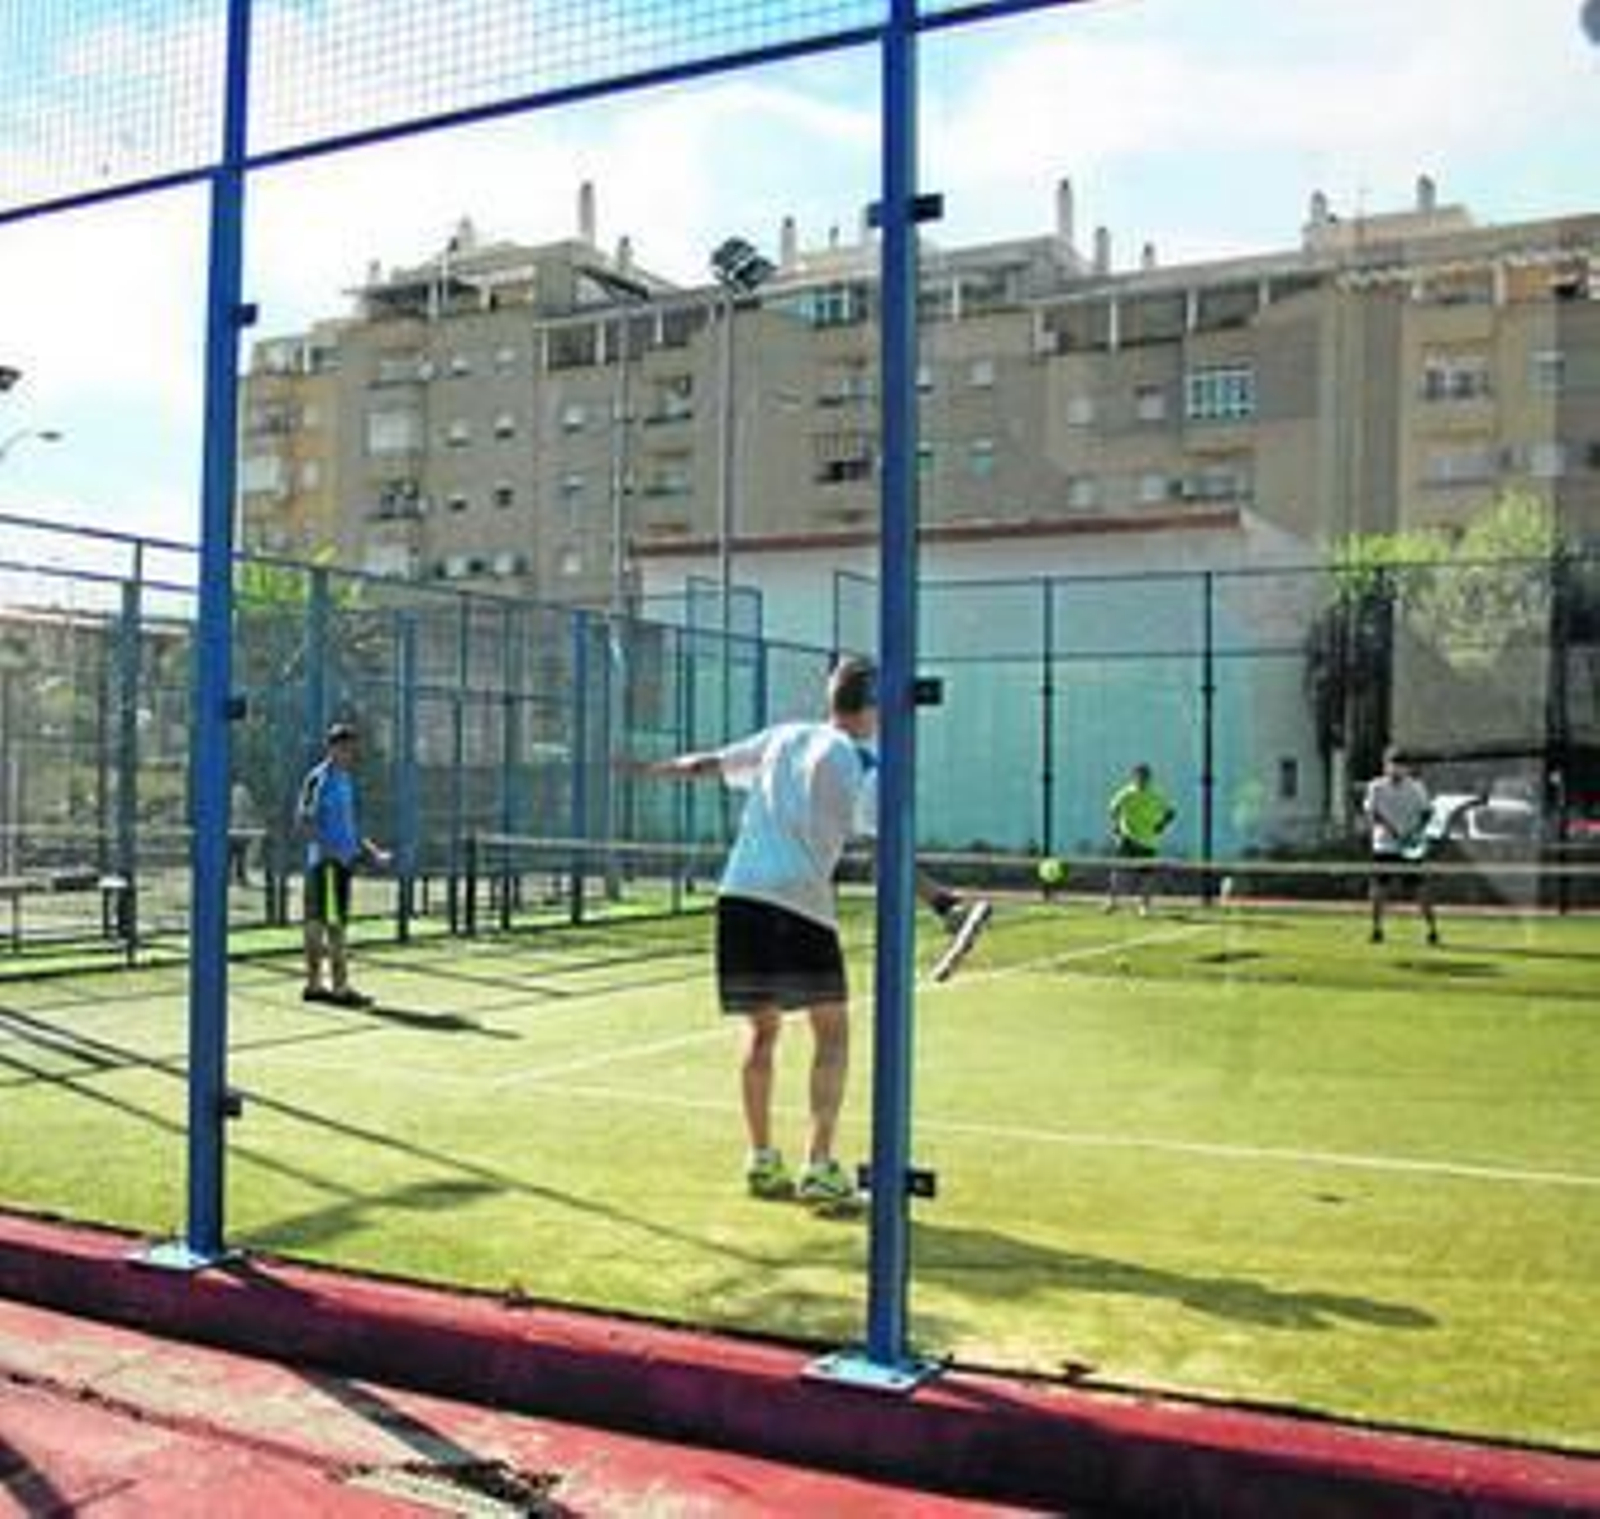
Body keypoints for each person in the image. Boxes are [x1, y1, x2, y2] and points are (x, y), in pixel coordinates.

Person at [639, 658, 989, 1208]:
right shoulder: (863, 763)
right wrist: (941, 902)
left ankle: (760, 1160)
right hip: (799, 902)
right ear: (872, 708)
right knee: (832, 1035)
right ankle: (819, 1166)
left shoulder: (785, 735)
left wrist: (650, 768)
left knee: (760, 1033)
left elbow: (706, 764)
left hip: (739, 898)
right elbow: (885, 854)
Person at [296, 722, 390, 1007]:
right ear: (332, 747)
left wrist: (372, 852)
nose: (350, 753)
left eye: (352, 748)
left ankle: (317, 986)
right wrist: (329, 853)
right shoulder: (318, 778)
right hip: (326, 868)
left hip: (339, 866)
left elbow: (348, 828)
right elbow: (304, 822)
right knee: (327, 926)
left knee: (325, 924)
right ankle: (337, 989)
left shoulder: (345, 780)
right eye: (345, 747)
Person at [1363, 745, 1440, 946]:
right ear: (1386, 765)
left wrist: (1414, 834)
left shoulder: (1417, 787)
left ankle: (1431, 930)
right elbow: (1373, 813)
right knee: (1379, 888)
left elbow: (1427, 813)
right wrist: (1393, 831)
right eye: (1393, 763)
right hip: (1384, 846)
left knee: (1420, 888)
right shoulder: (1376, 786)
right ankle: (1376, 929)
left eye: (1401, 764)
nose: (1397, 768)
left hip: (1410, 847)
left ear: (1407, 767)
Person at [1104, 762, 1175, 915]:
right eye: (1138, 776)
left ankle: (1144, 906)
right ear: (1133, 777)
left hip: (1148, 842)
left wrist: (1161, 825)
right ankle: (1112, 902)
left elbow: (1170, 812)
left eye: (1145, 776)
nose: (1141, 779)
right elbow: (1113, 809)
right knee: (1119, 872)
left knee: (1147, 876)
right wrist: (1117, 827)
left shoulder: (1156, 794)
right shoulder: (1126, 793)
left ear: (1149, 778)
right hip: (1128, 839)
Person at [228, 778, 256, 887]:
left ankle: (230, 877)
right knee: (240, 855)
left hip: (231, 827)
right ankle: (240, 877)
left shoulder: (227, 789)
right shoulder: (243, 790)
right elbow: (250, 807)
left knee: (231, 855)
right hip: (240, 828)